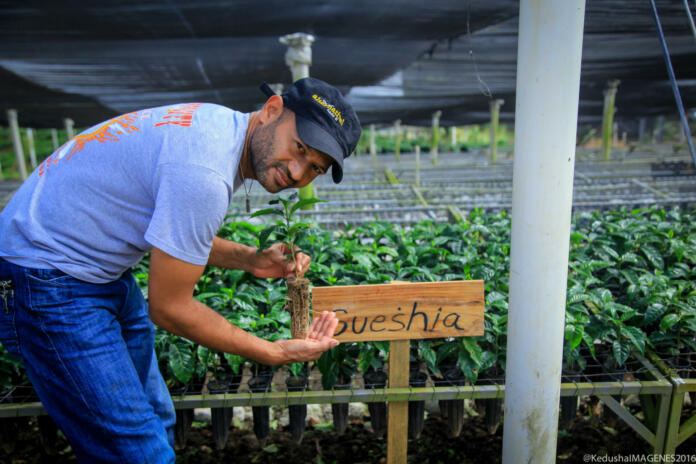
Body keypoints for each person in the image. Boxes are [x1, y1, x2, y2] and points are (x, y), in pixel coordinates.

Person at [0, 77, 361, 462]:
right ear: (272, 110)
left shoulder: (216, 126)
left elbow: (170, 230)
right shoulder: (204, 171)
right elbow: (170, 308)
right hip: (46, 279)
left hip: (94, 271)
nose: (297, 171)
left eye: (315, 168)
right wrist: (272, 352)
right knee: (138, 454)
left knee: (156, 419)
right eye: (300, 147)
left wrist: (251, 259)